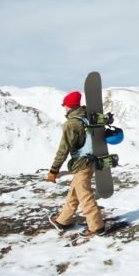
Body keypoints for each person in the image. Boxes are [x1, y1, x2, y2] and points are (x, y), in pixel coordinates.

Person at [47, 90, 106, 237]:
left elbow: (63, 150)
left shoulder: (72, 124)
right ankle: (63, 221)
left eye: (65, 106)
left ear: (70, 107)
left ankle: (97, 226)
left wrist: (53, 171)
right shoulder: (87, 118)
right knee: (75, 192)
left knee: (85, 195)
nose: (64, 108)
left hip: (82, 164)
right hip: (92, 161)